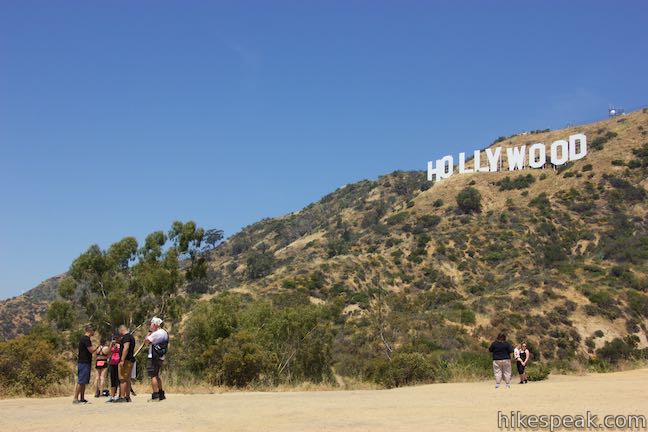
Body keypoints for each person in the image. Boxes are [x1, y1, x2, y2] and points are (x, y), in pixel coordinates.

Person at [144, 316, 169, 402]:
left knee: (153, 375)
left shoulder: (156, 333)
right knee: (157, 375)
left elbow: (146, 341)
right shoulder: (165, 333)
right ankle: (161, 393)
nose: (151, 325)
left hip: (153, 357)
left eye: (152, 324)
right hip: (161, 357)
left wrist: (149, 332)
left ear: (155, 325)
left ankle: (155, 395)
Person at [73, 325, 96, 404]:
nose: (94, 332)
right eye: (93, 330)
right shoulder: (86, 339)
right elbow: (91, 350)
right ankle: (76, 398)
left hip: (85, 362)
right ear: (90, 330)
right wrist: (98, 347)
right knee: (81, 380)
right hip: (84, 362)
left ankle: (82, 398)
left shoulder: (85, 339)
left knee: (84, 381)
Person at [115, 325, 136, 403]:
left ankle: (122, 397)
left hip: (126, 360)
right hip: (130, 360)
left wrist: (122, 360)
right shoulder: (131, 337)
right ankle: (127, 397)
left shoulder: (126, 337)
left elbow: (126, 348)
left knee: (122, 378)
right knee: (127, 379)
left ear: (121, 330)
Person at [106, 333, 121, 402]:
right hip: (112, 363)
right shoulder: (111, 345)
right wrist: (111, 345)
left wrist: (118, 346)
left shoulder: (120, 345)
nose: (115, 340)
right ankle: (112, 395)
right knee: (112, 379)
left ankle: (119, 394)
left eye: (116, 338)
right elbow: (108, 352)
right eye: (114, 338)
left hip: (119, 363)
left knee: (118, 379)